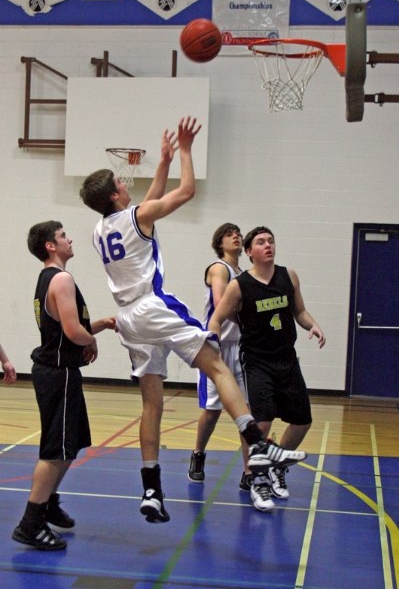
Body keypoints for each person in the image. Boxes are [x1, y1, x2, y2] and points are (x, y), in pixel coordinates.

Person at [80, 117, 307, 524]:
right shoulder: (136, 217)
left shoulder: (101, 228)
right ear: (115, 193)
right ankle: (257, 444)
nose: (125, 182)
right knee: (218, 365)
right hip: (152, 305)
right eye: (120, 180)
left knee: (152, 403)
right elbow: (185, 192)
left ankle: (151, 489)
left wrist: (162, 160)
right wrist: (184, 150)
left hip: (129, 320)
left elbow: (147, 205)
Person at [12, 221, 116, 551]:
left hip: (57, 370)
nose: (69, 238)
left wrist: (102, 324)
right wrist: (92, 341)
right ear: (50, 247)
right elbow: (73, 332)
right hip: (59, 373)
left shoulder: (49, 280)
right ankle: (30, 522)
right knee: (56, 449)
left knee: (69, 445)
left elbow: (68, 328)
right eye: (62, 236)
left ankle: (48, 502)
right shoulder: (61, 278)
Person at [208, 226, 326, 512]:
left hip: (287, 358)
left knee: (302, 420)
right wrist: (213, 346)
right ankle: (256, 480)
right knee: (260, 423)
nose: (268, 245)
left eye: (271, 240)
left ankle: (277, 467)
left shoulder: (289, 276)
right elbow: (217, 318)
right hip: (257, 360)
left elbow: (299, 311)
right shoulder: (240, 285)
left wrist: (313, 325)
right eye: (260, 242)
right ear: (250, 252)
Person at [188, 222, 252, 493]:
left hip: (243, 348)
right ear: (219, 242)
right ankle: (198, 453)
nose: (235, 236)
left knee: (246, 412)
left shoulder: (245, 274)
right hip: (217, 347)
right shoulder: (218, 268)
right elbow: (221, 302)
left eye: (238, 233)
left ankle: (250, 471)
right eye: (229, 234)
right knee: (212, 411)